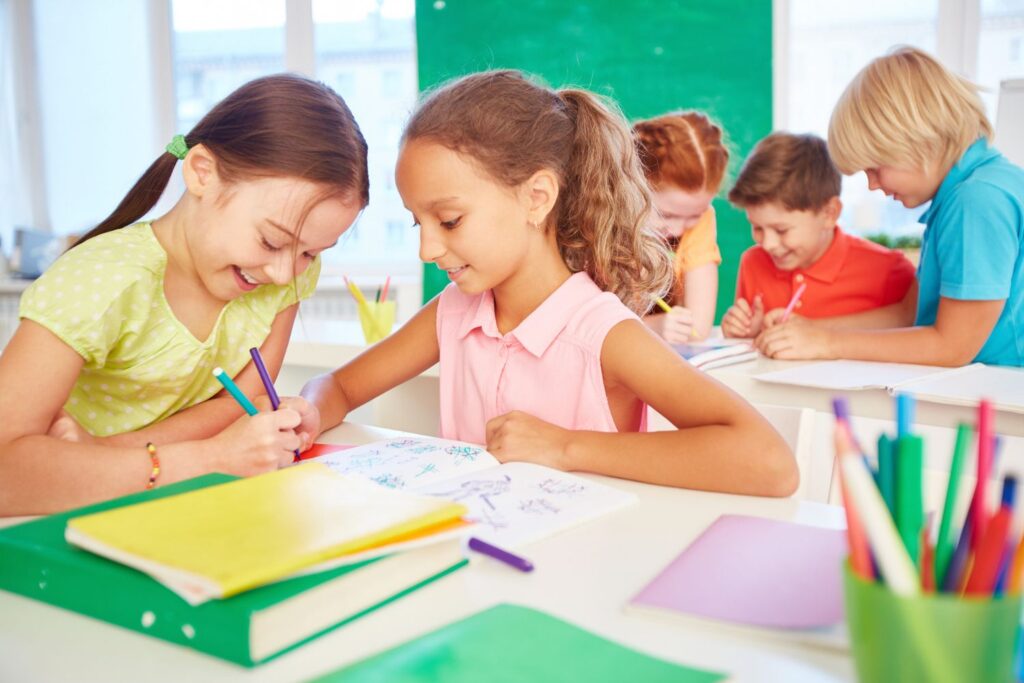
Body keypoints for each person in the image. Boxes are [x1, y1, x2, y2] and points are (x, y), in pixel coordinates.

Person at [302, 70, 797, 496]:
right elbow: (338, 386)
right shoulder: (452, 313)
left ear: (536, 198)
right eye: (418, 223)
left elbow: (770, 463)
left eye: (449, 221)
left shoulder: (603, 334)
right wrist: (308, 411)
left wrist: (565, 447)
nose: (427, 250)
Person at [0, 74, 369, 514]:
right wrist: (211, 458)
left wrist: (109, 450)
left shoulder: (279, 275)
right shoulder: (102, 279)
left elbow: (241, 404)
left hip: (174, 506)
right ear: (201, 173)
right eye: (271, 241)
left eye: (310, 252)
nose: (284, 272)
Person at [758, 47, 1024, 367]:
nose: (872, 185)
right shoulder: (961, 194)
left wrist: (827, 342)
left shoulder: (976, 200)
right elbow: (907, 313)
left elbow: (951, 347)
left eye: (874, 168)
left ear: (916, 141)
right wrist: (811, 330)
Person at [721, 132, 915, 339]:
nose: (768, 244)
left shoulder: (889, 271)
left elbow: (916, 334)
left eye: (781, 230)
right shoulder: (753, 263)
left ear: (829, 213)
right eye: (757, 228)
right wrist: (746, 331)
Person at [634, 112, 728, 342]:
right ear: (632, 188)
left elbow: (697, 328)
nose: (677, 230)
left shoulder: (701, 219)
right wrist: (652, 327)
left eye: (695, 215)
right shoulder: (603, 219)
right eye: (666, 215)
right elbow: (591, 326)